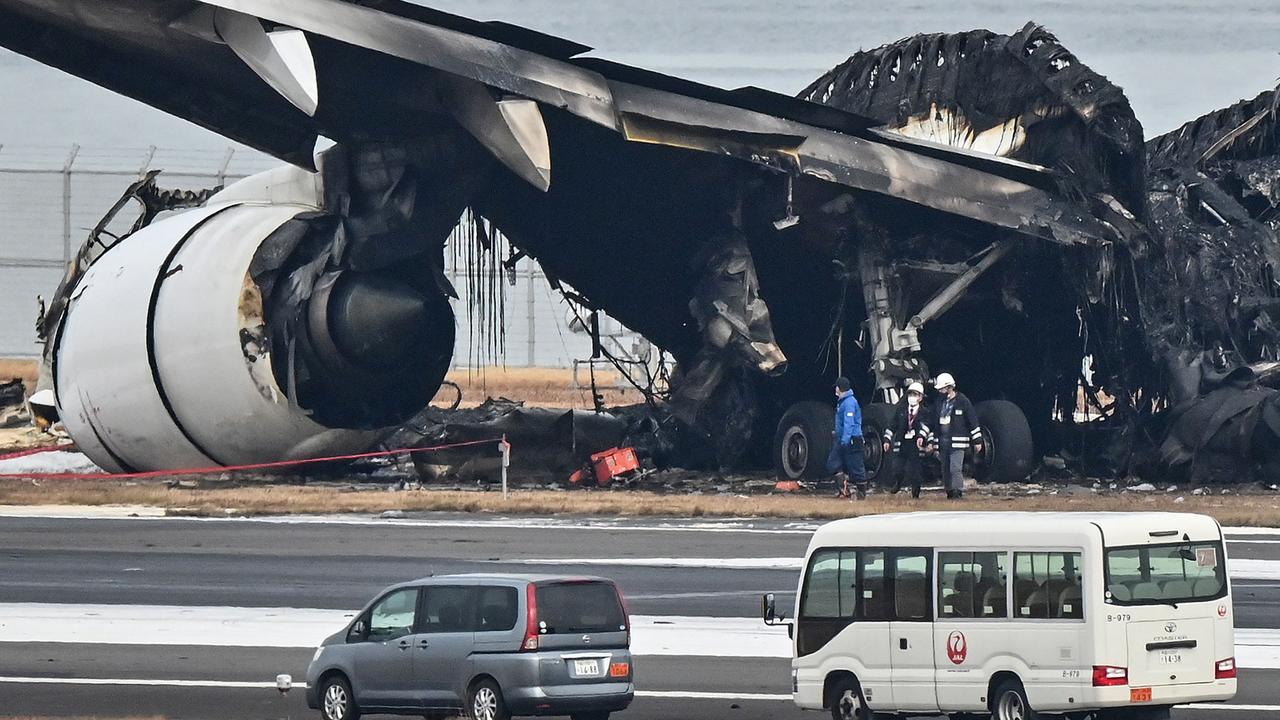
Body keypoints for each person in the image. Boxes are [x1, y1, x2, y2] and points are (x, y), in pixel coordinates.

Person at [921, 372, 983, 500]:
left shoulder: (963, 401)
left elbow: (972, 421)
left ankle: (957, 491)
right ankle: (949, 491)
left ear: (949, 387)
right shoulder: (938, 403)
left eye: (942, 389)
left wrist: (977, 440)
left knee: (955, 468)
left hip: (957, 442)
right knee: (945, 469)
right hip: (942, 441)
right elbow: (931, 422)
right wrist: (923, 436)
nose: (940, 391)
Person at [882, 381, 927, 498]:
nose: (912, 397)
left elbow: (927, 426)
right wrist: (887, 439)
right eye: (910, 394)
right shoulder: (901, 410)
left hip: (916, 444)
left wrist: (923, 438)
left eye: (915, 394)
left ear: (921, 397)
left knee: (915, 470)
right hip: (902, 442)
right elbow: (893, 425)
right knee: (897, 467)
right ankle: (898, 483)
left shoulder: (925, 412)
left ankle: (915, 493)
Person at [829, 376, 868, 499]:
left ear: (840, 388)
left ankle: (861, 493)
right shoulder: (842, 402)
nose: (835, 389)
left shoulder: (850, 403)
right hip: (842, 439)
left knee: (856, 466)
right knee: (832, 463)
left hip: (852, 440)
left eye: (836, 387)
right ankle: (844, 490)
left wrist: (845, 440)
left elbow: (849, 423)